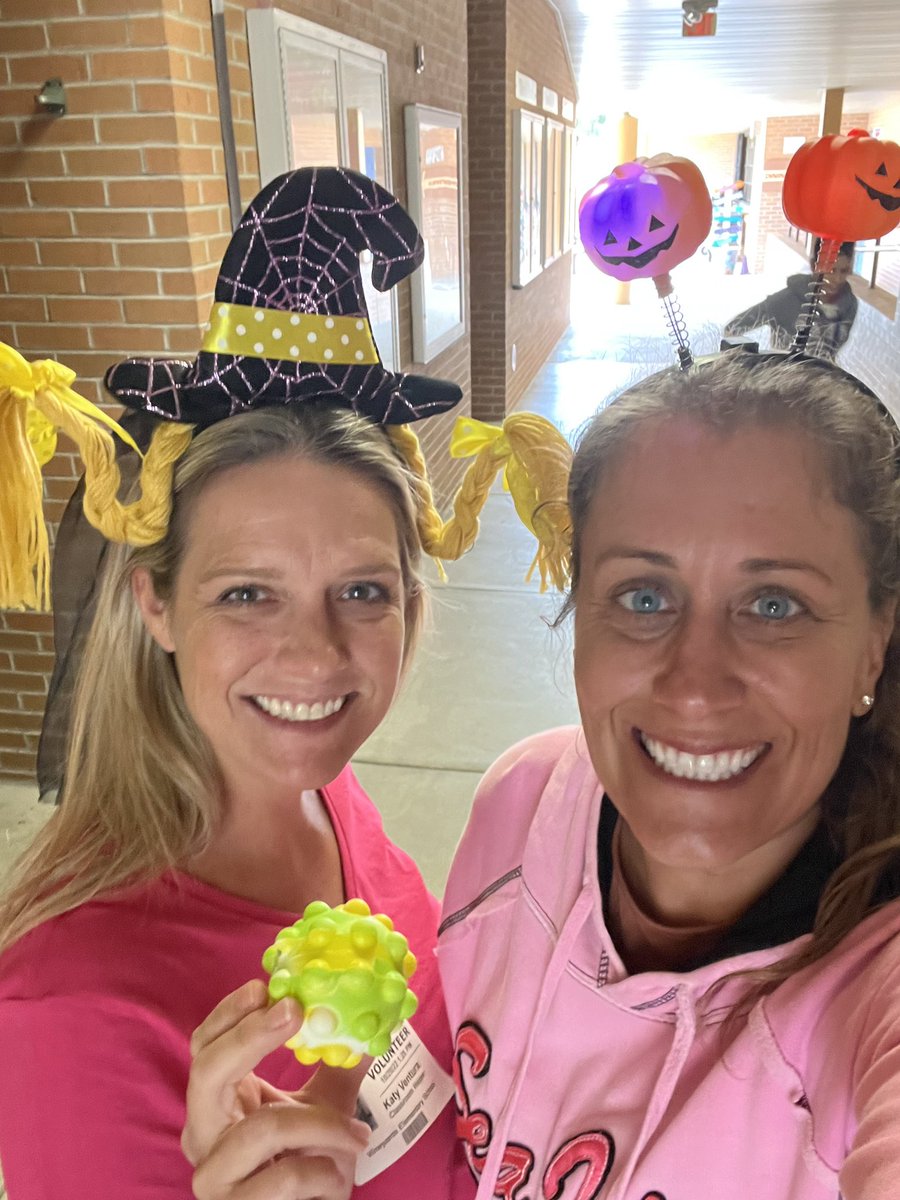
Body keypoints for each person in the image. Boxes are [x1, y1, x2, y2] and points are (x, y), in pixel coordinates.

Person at [185, 349, 900, 1199]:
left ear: (874, 640)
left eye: (774, 604)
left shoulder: (871, 1009)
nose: (695, 684)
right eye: (643, 597)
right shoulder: (522, 804)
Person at [0, 168, 569, 1199]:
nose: (314, 657)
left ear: (411, 599)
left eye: (360, 590)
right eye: (249, 595)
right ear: (156, 605)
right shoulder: (68, 1000)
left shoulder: (324, 798)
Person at [724, 240, 858, 358]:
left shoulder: (849, 304)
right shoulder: (785, 300)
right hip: (787, 380)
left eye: (844, 271)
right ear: (815, 266)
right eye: (831, 271)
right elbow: (733, 328)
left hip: (822, 379)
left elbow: (831, 351)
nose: (837, 279)